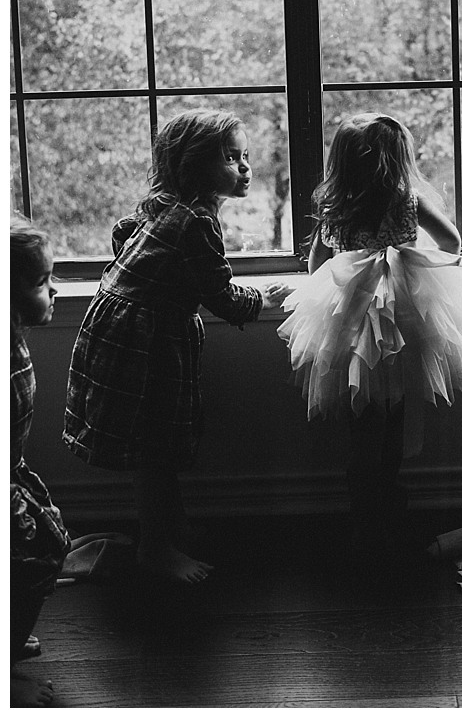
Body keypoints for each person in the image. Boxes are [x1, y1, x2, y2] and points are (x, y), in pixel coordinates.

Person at [61, 108, 291, 585]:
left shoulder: (162, 204)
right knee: (153, 448)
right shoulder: (196, 222)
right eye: (231, 158)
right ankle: (155, 547)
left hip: (123, 328)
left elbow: (123, 232)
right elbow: (220, 294)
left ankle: (173, 526)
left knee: (157, 443)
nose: (245, 167)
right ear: (193, 165)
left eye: (245, 156)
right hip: (144, 343)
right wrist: (261, 300)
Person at [277, 112, 462, 554]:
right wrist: (407, 259)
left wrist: (355, 269)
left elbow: (317, 267)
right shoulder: (407, 200)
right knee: (393, 419)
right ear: (397, 159)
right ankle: (388, 509)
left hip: (351, 324)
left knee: (362, 423)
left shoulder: (335, 208)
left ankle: (365, 516)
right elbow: (451, 244)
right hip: (401, 322)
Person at [12, 218, 67, 706]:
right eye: (38, 283)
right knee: (31, 563)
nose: (53, 291)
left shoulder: (15, 339)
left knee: (43, 550)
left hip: (12, 471)